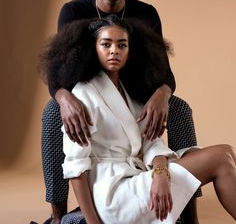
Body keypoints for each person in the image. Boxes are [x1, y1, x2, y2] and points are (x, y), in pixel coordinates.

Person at [41, 0, 200, 223]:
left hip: (137, 88)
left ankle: (187, 212)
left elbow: (165, 72)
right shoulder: (74, 11)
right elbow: (58, 69)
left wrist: (163, 93)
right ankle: (57, 213)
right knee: (53, 113)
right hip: (90, 88)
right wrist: (64, 98)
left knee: (181, 109)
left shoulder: (146, 13)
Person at [39, 15, 236, 224]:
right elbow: (76, 170)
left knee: (227, 153)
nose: (114, 50)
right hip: (113, 195)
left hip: (138, 177)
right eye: (105, 44)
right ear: (92, 49)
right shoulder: (82, 95)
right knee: (222, 156)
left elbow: (152, 142)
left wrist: (160, 174)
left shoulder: (131, 91)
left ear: (130, 51)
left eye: (121, 45)